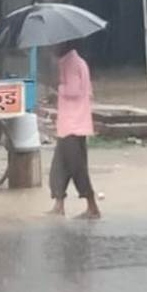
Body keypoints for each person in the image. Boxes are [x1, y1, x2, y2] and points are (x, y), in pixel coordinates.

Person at [49, 41, 100, 219]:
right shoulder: (79, 62)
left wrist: (57, 87)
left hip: (72, 125)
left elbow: (74, 90)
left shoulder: (70, 64)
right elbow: (89, 92)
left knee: (76, 168)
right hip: (73, 123)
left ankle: (92, 205)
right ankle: (59, 204)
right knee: (59, 166)